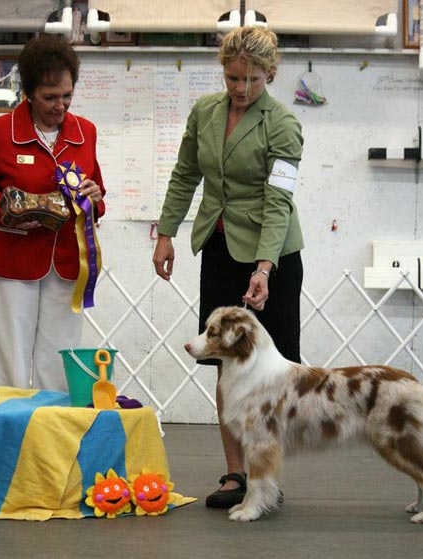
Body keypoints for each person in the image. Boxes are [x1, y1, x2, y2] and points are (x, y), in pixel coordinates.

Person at [152, 26, 304, 508]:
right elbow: (184, 175)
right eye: (233, 77)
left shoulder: (282, 124)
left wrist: (264, 269)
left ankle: (267, 479)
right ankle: (236, 476)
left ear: (269, 75)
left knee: (272, 374)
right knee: (224, 365)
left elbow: (278, 201)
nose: (241, 88)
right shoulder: (205, 113)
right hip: (218, 249)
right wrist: (165, 233)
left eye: (253, 80)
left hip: (271, 253)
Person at [0, 34, 106, 391]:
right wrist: (8, 211)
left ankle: (50, 444)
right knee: (9, 366)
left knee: (59, 365)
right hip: (9, 263)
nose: (61, 105)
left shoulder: (85, 132)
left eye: (67, 95)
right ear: (28, 92)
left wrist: (94, 197)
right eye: (50, 97)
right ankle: (9, 443)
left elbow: (97, 198)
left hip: (66, 265)